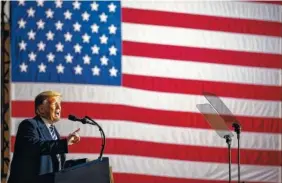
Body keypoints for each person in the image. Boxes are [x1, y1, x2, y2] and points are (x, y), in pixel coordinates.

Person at [8, 91, 86, 183]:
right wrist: (63, 143)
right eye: (54, 104)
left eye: (60, 104)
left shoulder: (54, 132)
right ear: (41, 109)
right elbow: (36, 147)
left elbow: (56, 164)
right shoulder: (29, 125)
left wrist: (82, 164)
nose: (59, 107)